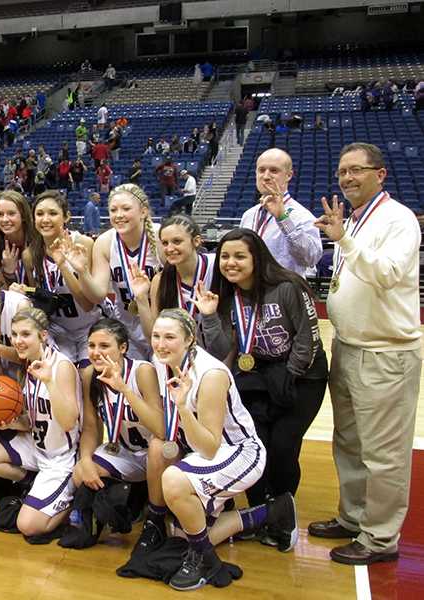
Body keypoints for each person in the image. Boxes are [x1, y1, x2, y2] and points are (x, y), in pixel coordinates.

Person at [309, 143, 422, 565]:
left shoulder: (398, 219)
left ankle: (379, 538)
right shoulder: (354, 220)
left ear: (381, 174)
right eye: (342, 172)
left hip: (386, 352)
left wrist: (344, 242)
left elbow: (388, 274)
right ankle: (354, 517)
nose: (348, 178)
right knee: (350, 443)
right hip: (350, 346)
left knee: (384, 453)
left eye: (357, 170)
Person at [144, 309, 297, 591]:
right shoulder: (160, 359)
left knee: (174, 482)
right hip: (206, 454)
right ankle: (271, 512)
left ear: (190, 339)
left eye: (170, 337)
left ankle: (203, 560)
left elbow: (210, 446)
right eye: (156, 336)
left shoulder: (210, 374)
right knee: (182, 535)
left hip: (239, 452)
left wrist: (181, 407)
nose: (160, 344)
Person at [198, 228, 327, 525]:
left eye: (239, 256)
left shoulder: (287, 286)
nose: (231, 262)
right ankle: (259, 512)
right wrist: (208, 315)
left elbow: (308, 339)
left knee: (283, 445)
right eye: (225, 256)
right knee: (256, 444)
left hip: (304, 376)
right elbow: (221, 349)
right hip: (259, 375)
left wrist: (290, 374)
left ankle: (283, 510)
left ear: (257, 258)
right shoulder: (227, 295)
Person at [0, 307, 82, 538]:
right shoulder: (30, 363)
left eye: (25, 334)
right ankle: (31, 482)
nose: (18, 341)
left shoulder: (60, 367)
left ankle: (75, 501)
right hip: (37, 446)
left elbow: (69, 421)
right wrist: (10, 424)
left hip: (61, 457)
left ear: (43, 335)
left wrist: (50, 383)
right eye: (14, 334)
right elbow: (31, 421)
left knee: (29, 527)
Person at [73, 319, 162, 503]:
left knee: (157, 448)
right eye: (91, 345)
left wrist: (125, 390)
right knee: (80, 472)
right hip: (124, 451)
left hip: (155, 454)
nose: (96, 353)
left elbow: (160, 429)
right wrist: (86, 460)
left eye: (104, 346)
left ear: (123, 348)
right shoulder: (90, 374)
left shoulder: (142, 371)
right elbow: (90, 428)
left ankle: (154, 513)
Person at [79, 184, 161, 360]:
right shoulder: (104, 242)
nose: (119, 215)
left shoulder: (161, 237)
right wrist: (82, 271)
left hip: (161, 325)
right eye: (113, 210)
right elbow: (98, 295)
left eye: (126, 209)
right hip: (126, 328)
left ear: (143, 211)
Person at [22, 191, 100, 369]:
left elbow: (88, 304)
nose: (45, 219)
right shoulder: (29, 255)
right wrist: (23, 291)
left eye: (53, 213)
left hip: (88, 326)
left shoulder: (84, 244)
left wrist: (63, 266)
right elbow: (40, 300)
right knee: (61, 375)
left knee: (88, 375)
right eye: (40, 214)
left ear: (67, 216)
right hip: (57, 330)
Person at [131, 215, 214, 344]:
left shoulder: (215, 266)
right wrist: (141, 297)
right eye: (165, 243)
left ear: (196, 241)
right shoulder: (160, 280)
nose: (169, 249)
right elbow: (153, 336)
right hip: (177, 357)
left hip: (216, 356)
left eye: (177, 241)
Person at [239, 149, 322, 277]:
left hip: (283, 293)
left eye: (274, 170)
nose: (266, 176)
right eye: (261, 170)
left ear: (289, 175)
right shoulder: (248, 215)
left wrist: (283, 219)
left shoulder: (302, 216)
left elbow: (310, 258)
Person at [0, 190, 36, 287]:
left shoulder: (39, 245)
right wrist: (8, 273)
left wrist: (29, 291)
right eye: (0, 214)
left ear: (23, 215)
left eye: (11, 213)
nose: (5, 219)